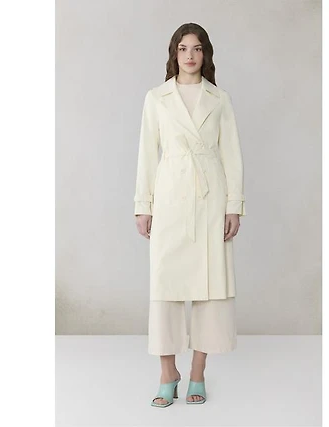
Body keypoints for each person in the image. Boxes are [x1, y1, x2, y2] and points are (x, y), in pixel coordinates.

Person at [133, 22, 246, 408]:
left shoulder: (219, 99)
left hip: (211, 199)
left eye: (197, 48)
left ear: (205, 54)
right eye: (183, 48)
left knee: (209, 288)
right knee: (165, 287)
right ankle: (168, 373)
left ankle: (197, 372)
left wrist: (234, 206)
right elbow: (147, 155)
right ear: (174, 54)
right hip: (170, 198)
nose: (190, 55)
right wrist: (143, 205)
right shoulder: (157, 98)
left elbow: (232, 155)